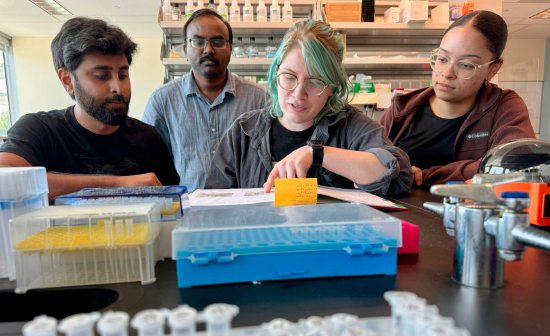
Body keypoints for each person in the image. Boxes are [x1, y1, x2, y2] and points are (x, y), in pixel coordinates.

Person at [205, 20, 412, 195]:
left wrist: (318, 154)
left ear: (332, 87)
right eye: (289, 77)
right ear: (275, 73)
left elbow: (398, 172)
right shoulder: (244, 132)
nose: (298, 94)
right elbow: (213, 202)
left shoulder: (350, 126)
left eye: (315, 81)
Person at [0, 17, 179, 201]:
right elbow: (5, 181)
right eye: (102, 76)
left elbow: (171, 206)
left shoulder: (149, 139)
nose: (118, 87)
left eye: (123, 74)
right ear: (67, 81)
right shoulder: (40, 130)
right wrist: (118, 185)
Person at [380, 10, 535, 188]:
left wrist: (423, 176)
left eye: (466, 65)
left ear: (493, 69)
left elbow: (512, 164)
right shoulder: (403, 109)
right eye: (442, 58)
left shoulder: (504, 107)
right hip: (396, 215)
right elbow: (368, 160)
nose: (447, 73)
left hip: (471, 215)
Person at [142, 8, 267, 193]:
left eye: (217, 41)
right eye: (198, 41)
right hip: (188, 212)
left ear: (230, 48)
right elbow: (150, 165)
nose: (208, 49)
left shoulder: (259, 98)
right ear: (185, 49)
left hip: (246, 210)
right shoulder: (162, 101)